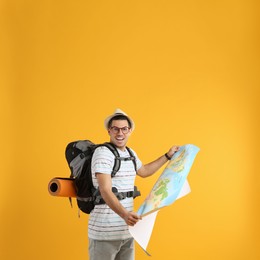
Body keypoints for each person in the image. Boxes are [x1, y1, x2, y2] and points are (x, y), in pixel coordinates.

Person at [89, 109, 180, 260]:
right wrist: (125, 214)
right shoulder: (103, 153)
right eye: (115, 129)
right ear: (109, 131)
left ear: (130, 131)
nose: (120, 133)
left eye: (124, 129)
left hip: (127, 231)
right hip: (105, 232)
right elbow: (105, 190)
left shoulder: (130, 153)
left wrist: (167, 156)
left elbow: (144, 171)